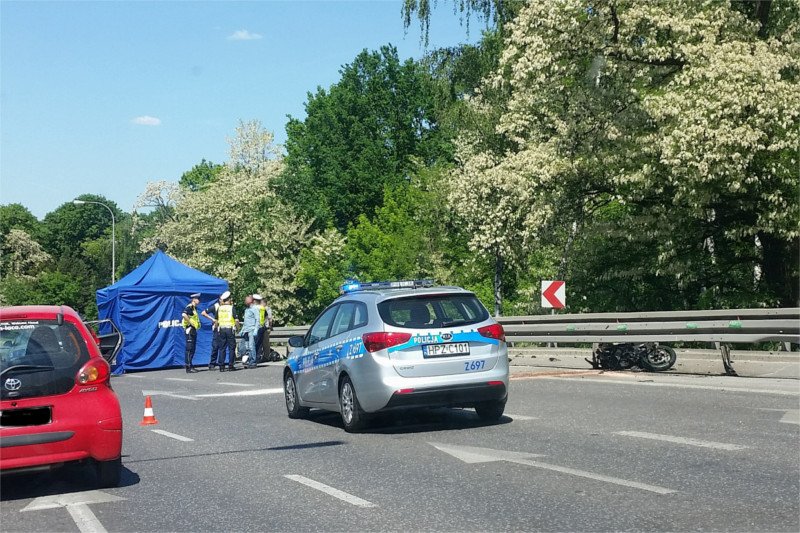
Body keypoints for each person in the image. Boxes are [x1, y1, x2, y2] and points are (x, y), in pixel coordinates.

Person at [201, 290, 229, 370]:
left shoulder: (227, 306)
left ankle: (221, 363)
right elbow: (203, 313)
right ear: (219, 299)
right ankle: (212, 364)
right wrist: (212, 319)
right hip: (217, 328)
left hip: (224, 327)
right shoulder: (215, 306)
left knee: (223, 346)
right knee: (215, 346)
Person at [216, 293, 238, 372]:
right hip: (230, 329)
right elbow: (236, 320)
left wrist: (216, 328)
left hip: (221, 329)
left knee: (222, 348)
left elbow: (216, 320)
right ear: (228, 300)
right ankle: (230, 365)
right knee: (231, 348)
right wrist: (237, 328)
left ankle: (221, 366)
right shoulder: (231, 308)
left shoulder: (219, 308)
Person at [181, 293, 202, 373]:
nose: (199, 300)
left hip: (193, 330)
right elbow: (183, 314)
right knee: (189, 349)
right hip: (189, 329)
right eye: (198, 299)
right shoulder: (189, 307)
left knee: (192, 349)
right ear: (194, 299)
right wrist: (190, 322)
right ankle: (188, 367)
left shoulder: (194, 308)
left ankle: (191, 365)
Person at [241, 295, 260, 369]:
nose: (245, 301)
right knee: (247, 347)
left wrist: (256, 329)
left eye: (246, 299)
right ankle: (249, 361)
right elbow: (246, 321)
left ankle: (253, 362)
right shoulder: (247, 310)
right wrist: (242, 329)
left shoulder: (254, 309)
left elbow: (257, 319)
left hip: (252, 329)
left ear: (250, 300)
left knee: (252, 346)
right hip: (246, 330)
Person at [255, 296, 273, 361]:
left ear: (265, 303)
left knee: (265, 343)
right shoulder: (259, 308)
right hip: (260, 327)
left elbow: (270, 319)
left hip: (265, 328)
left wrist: (270, 327)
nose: (260, 304)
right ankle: (259, 356)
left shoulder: (267, 309)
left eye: (261, 302)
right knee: (259, 343)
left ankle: (266, 356)